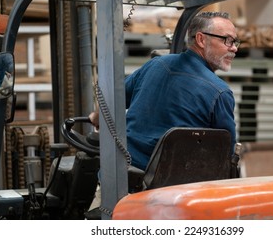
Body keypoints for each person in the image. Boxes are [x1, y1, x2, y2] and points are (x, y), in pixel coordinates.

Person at [89, 11, 239, 171]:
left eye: (236, 42)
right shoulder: (220, 92)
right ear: (201, 39)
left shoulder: (155, 65)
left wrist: (95, 117)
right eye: (227, 41)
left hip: (122, 176)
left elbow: (111, 102)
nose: (235, 48)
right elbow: (226, 157)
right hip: (169, 187)